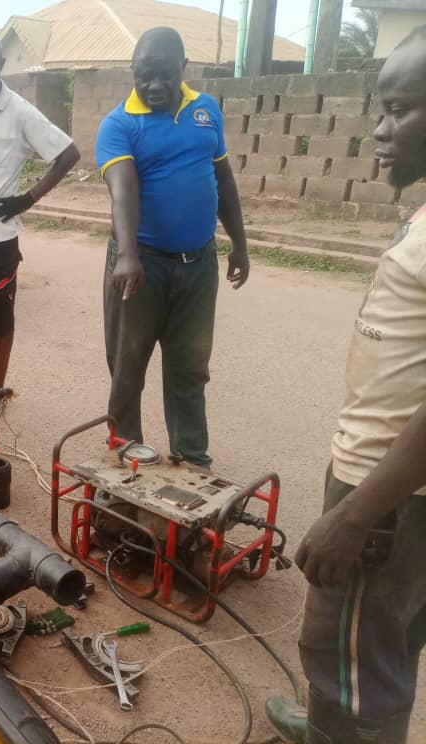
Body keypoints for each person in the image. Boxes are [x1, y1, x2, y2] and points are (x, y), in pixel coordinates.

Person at [265, 27, 426, 744]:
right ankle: (330, 723)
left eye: (400, 110)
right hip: (397, 492)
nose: (379, 130)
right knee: (380, 643)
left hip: (392, 500)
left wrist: (357, 514)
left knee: (349, 664)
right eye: (380, 109)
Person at [96, 27, 249, 469]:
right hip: (141, 263)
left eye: (165, 74)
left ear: (184, 67)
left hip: (198, 263)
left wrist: (239, 244)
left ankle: (191, 453)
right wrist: (128, 256)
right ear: (133, 71)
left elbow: (223, 179)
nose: (155, 85)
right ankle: (126, 449)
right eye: (145, 75)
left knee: (190, 366)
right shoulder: (119, 124)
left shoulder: (206, 110)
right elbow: (124, 189)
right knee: (128, 365)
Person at [0, 34, 80, 413]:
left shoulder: (20, 112)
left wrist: (29, 198)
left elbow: (69, 154)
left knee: (0, 317)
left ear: (1, 64)